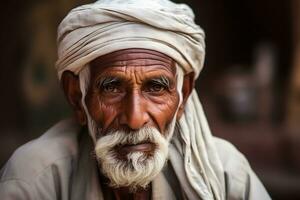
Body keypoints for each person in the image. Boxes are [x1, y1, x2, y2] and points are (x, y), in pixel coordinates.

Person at [0, 0, 271, 199]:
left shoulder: (224, 173)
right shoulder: (36, 177)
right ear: (76, 96)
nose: (134, 118)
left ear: (183, 95)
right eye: (112, 88)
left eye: (155, 88)